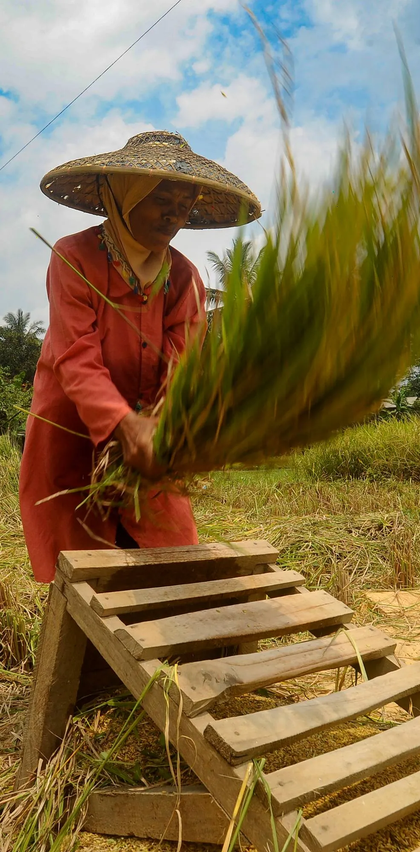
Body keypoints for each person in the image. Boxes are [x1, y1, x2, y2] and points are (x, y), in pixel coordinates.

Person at [19, 130, 261, 583]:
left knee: (170, 561)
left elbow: (179, 371)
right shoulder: (73, 258)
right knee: (84, 579)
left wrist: (168, 428)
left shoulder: (185, 279)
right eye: (162, 197)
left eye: (185, 202)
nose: (175, 212)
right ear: (124, 195)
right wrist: (123, 425)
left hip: (150, 450)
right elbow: (76, 359)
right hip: (72, 437)